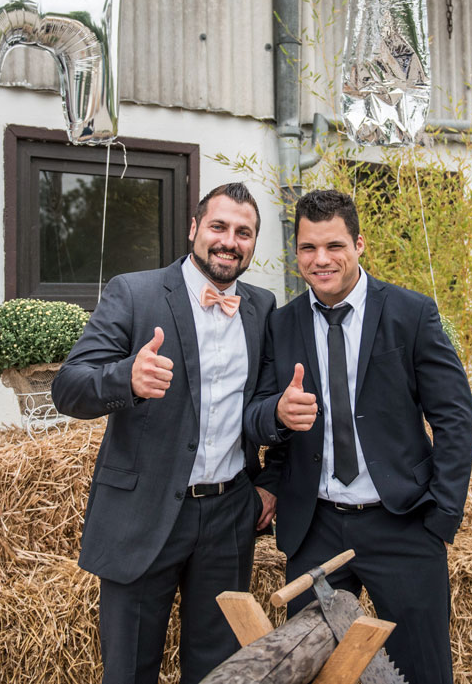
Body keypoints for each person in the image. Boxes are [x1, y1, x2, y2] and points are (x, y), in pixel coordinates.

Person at [245, 188, 472, 684]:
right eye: (308, 248)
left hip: (404, 523)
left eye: (334, 246)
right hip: (315, 526)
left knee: (422, 671)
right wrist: (277, 414)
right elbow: (257, 414)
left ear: (359, 244)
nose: (321, 260)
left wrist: (442, 515)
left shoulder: (411, 314)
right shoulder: (281, 323)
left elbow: (455, 416)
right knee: (314, 670)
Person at [52, 182, 277, 684]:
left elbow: (268, 406)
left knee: (219, 669)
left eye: (244, 232)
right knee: (130, 670)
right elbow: (67, 388)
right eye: (219, 227)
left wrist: (269, 485)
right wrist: (125, 379)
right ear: (194, 228)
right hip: (143, 513)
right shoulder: (134, 292)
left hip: (227, 518)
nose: (229, 241)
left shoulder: (262, 306)